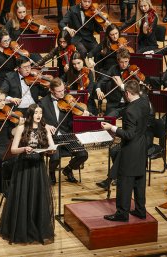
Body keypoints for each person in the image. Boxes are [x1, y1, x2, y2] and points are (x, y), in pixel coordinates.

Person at [0, 103, 55, 244]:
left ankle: (36, 228)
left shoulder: (45, 128)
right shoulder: (22, 128)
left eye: (40, 112)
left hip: (38, 167)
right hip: (23, 167)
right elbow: (13, 150)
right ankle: (21, 229)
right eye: (36, 113)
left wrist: (51, 150)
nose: (38, 115)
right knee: (23, 197)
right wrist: (24, 149)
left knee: (37, 197)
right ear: (30, 114)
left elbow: (52, 147)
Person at [101, 80, 150, 222]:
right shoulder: (145, 101)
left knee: (125, 183)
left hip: (131, 151)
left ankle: (122, 213)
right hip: (142, 147)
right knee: (139, 181)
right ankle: (141, 210)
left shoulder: (130, 111)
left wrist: (112, 128)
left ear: (128, 93)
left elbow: (129, 135)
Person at [39, 78, 89, 184]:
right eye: (59, 91)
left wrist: (81, 115)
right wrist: (45, 125)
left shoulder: (68, 100)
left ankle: (68, 169)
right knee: (55, 157)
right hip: (50, 136)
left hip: (66, 134)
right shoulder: (43, 102)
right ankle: (51, 173)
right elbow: (36, 120)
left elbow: (71, 122)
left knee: (83, 154)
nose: (62, 93)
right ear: (51, 90)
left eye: (63, 90)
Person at [96, 48, 144, 117]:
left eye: (126, 61)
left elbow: (136, 91)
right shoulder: (113, 69)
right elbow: (102, 80)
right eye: (121, 62)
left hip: (129, 104)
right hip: (114, 104)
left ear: (129, 60)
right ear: (118, 61)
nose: (124, 65)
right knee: (108, 118)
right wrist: (98, 89)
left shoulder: (133, 70)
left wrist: (121, 85)